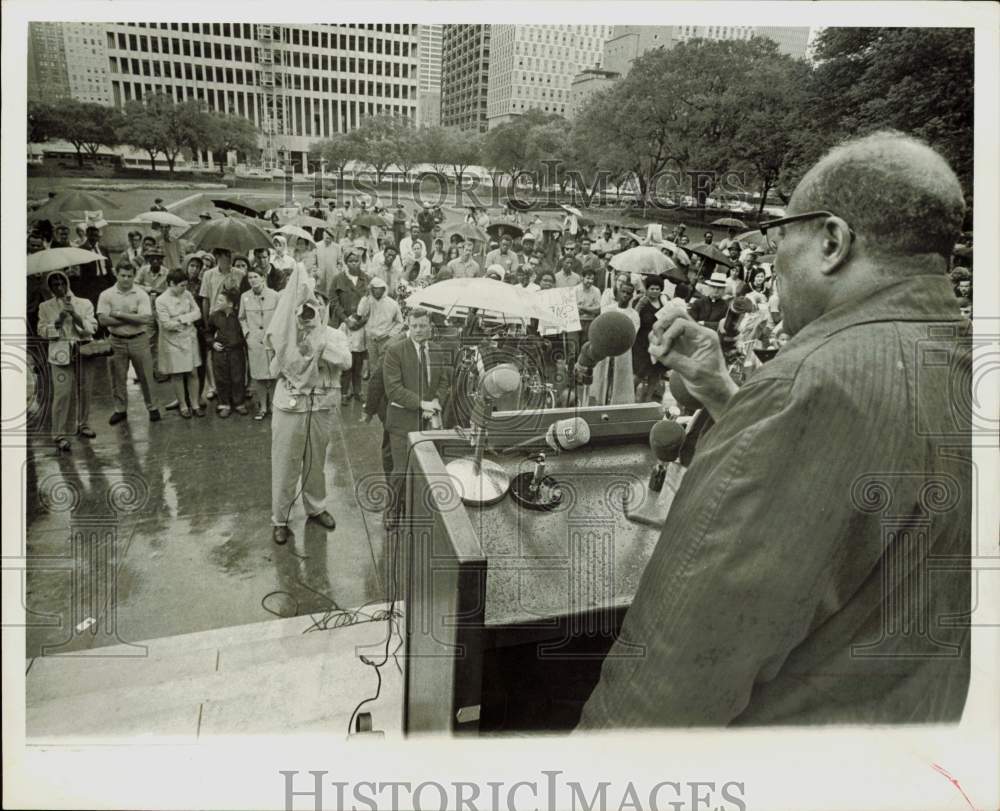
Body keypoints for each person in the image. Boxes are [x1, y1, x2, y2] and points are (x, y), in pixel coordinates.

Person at [579, 131, 972, 730]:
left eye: (780, 235)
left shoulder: (809, 385)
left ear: (832, 241)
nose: (771, 259)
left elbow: (673, 673)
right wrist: (722, 393)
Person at [266, 265, 352, 546]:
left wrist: (317, 343)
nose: (311, 311)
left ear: (324, 307)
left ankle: (316, 507)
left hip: (321, 405)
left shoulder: (333, 334)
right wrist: (294, 345)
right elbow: (272, 368)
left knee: (316, 462)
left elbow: (345, 361)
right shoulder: (287, 334)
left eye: (318, 303)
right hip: (290, 405)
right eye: (307, 305)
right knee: (285, 463)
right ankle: (281, 518)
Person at [382, 307, 450, 527]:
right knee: (401, 471)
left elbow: (443, 381)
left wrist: (437, 400)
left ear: (430, 327)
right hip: (403, 422)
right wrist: (422, 404)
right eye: (414, 326)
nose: (418, 330)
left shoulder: (438, 351)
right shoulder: (395, 351)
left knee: (428, 468)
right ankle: (392, 511)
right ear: (408, 326)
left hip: (429, 421)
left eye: (422, 326)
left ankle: (419, 508)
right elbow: (393, 389)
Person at [37, 271, 99, 451]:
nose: (59, 287)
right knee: (62, 394)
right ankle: (59, 434)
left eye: (62, 283)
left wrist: (76, 317)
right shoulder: (45, 307)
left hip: (83, 351)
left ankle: (84, 424)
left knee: (85, 390)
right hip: (60, 354)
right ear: (50, 287)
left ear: (67, 283)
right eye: (54, 285)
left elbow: (92, 328)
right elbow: (42, 331)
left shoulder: (84, 303)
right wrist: (59, 321)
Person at [96, 262, 161, 425]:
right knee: (117, 376)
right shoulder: (106, 294)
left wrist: (117, 314)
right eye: (123, 275)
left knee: (146, 375)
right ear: (116, 274)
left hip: (139, 339)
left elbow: (146, 319)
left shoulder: (141, 294)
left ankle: (152, 407)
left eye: (129, 275)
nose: (126, 279)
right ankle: (120, 409)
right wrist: (131, 317)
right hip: (116, 340)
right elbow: (102, 320)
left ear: (134, 276)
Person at [156, 268, 203, 418]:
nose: (184, 288)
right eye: (181, 285)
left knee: (193, 372)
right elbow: (166, 324)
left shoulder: (187, 294)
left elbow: (198, 313)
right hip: (173, 341)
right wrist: (185, 320)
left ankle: (195, 404)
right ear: (171, 283)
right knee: (177, 374)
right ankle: (183, 405)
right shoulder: (161, 300)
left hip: (189, 338)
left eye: (185, 285)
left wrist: (181, 319)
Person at [588, 280, 639, 406]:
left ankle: (614, 403)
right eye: (623, 292)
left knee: (619, 379)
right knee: (602, 377)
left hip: (622, 351)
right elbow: (600, 327)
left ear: (632, 296)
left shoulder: (634, 314)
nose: (625, 295)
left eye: (629, 293)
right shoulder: (608, 309)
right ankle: (600, 401)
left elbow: (633, 333)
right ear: (618, 292)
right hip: (605, 348)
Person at [329, 248, 370, 404]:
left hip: (360, 326)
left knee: (358, 360)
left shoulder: (366, 279)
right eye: (351, 261)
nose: (354, 264)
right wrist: (346, 319)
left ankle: (358, 390)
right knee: (346, 359)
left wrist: (361, 320)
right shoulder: (338, 279)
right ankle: (344, 391)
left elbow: (369, 302)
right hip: (343, 325)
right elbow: (334, 301)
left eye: (357, 261)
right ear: (346, 263)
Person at [208, 288, 248, 417]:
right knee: (221, 377)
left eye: (220, 300)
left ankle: (239, 403)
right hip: (220, 352)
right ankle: (224, 403)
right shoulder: (214, 316)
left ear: (230, 304)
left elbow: (245, 332)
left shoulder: (239, 316)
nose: (217, 302)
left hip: (236, 352)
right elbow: (208, 332)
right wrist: (212, 343)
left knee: (238, 377)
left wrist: (241, 343)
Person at [357, 276, 403, 378]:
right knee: (373, 365)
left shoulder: (392, 304)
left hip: (385, 339)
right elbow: (360, 313)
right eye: (374, 288)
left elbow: (400, 322)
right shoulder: (368, 301)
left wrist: (391, 335)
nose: (376, 291)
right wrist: (365, 297)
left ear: (383, 289)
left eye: (379, 288)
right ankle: (375, 388)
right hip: (371, 339)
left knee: (385, 364)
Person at [74, 223, 114, 307]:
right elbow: (80, 269)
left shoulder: (103, 249)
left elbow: (109, 266)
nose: (93, 238)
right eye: (91, 235)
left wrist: (112, 282)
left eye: (96, 235)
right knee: (93, 305)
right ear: (87, 235)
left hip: (104, 281)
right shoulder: (81, 250)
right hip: (90, 283)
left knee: (105, 305)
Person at [575, 268, 602, 344]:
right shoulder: (575, 290)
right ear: (582, 278)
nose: (590, 281)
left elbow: (598, 310)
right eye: (588, 278)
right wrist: (590, 309)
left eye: (592, 279)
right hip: (577, 321)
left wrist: (582, 308)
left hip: (590, 322)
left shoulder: (596, 291)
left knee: (587, 345)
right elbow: (574, 310)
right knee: (575, 346)